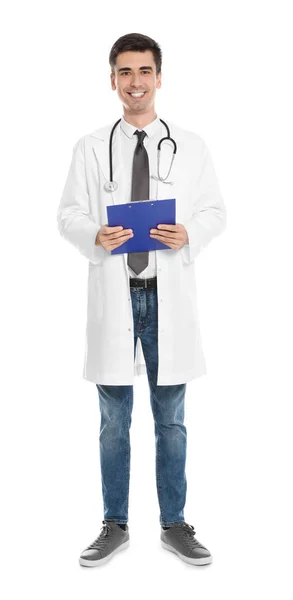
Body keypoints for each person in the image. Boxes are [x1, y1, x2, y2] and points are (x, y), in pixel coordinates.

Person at [57, 32, 227, 568]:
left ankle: (174, 524)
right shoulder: (89, 146)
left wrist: (189, 234)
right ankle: (115, 524)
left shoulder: (192, 145)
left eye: (144, 71)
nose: (135, 83)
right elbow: (68, 214)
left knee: (171, 418)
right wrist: (94, 236)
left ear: (159, 77)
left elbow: (215, 211)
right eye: (125, 73)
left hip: (165, 297)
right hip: (116, 294)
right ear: (112, 80)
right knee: (113, 420)